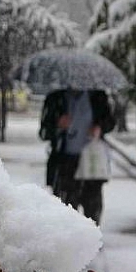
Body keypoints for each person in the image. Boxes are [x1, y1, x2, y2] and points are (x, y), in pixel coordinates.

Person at [39, 89, 115, 224]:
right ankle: (69, 242)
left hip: (92, 163)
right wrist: (58, 125)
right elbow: (44, 132)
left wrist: (99, 127)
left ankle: (91, 241)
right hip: (64, 164)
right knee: (65, 214)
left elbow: (110, 123)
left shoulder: (97, 96)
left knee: (92, 212)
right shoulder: (56, 98)